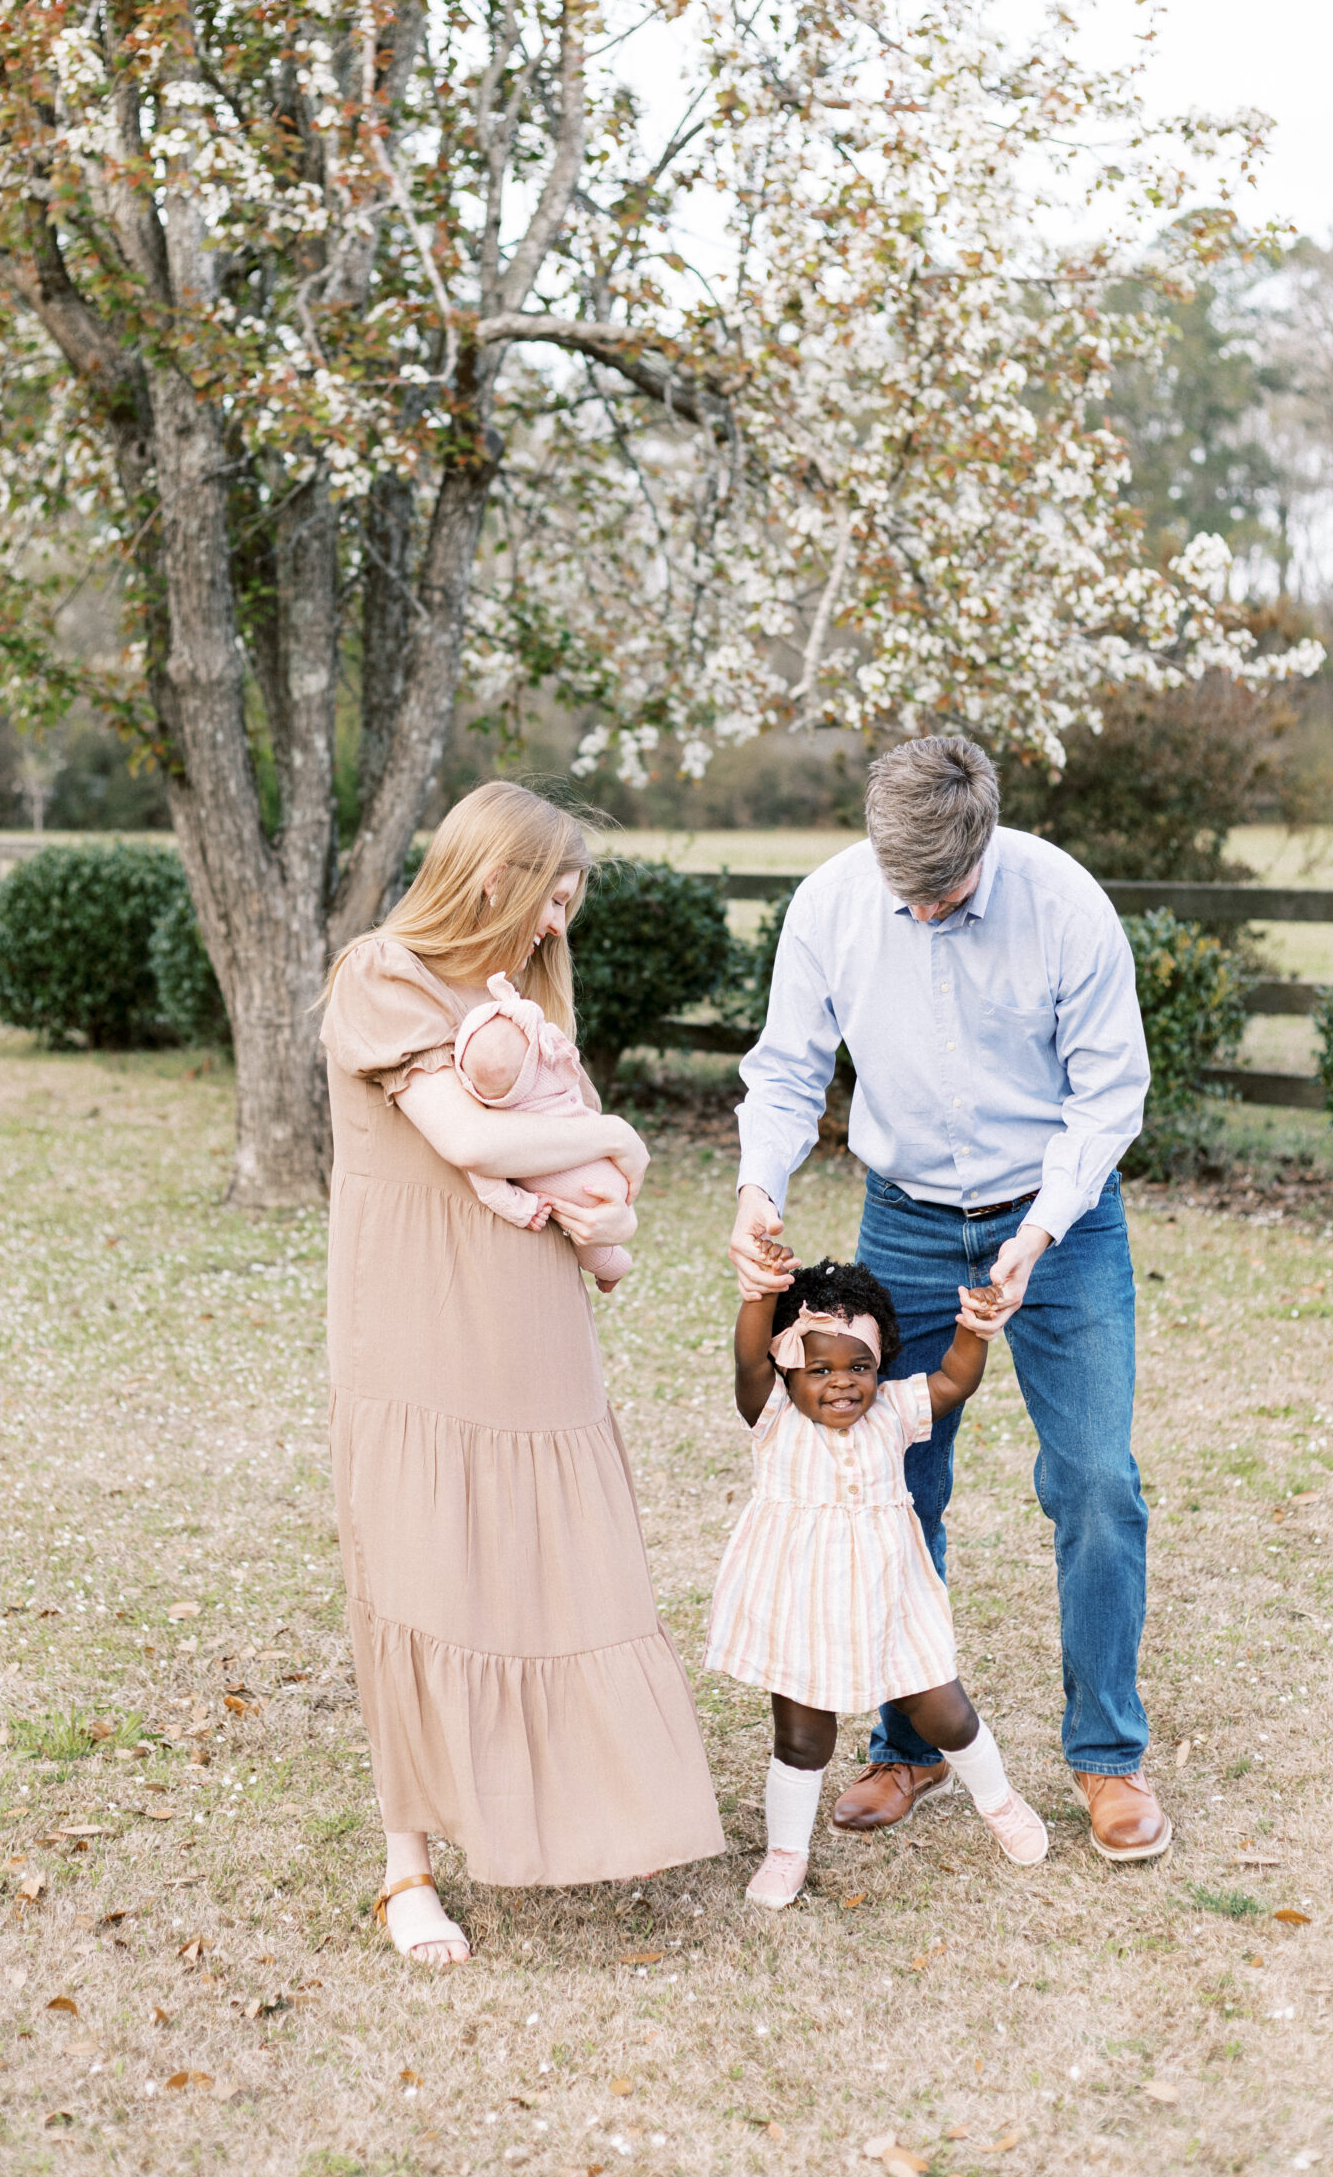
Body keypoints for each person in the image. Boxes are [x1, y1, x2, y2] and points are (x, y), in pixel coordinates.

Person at [730, 736, 1170, 1865]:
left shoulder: (1065, 904)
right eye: (904, 894)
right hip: (908, 1220)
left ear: (987, 839)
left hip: (1060, 1221)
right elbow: (786, 1068)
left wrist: (1038, 1230)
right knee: (892, 1481)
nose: (923, 913)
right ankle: (905, 1744)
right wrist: (754, 1188)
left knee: (1097, 1483)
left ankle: (1107, 1757)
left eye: (948, 895)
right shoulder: (832, 903)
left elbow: (1109, 1090)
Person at [320, 781, 725, 1964]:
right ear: (490, 876)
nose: (558, 926)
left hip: (533, 1311)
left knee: (561, 1563)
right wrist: (616, 1140)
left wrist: (602, 1180)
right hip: (416, 1314)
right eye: (551, 898)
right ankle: (409, 1866)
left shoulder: (525, 997)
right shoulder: (380, 975)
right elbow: (474, 1139)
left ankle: (588, 1805)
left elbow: (568, 1161)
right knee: (421, 1568)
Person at [707, 1246, 1048, 1907]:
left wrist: (972, 1331)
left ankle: (997, 1800)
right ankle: (786, 1852)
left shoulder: (891, 1411)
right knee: (803, 1735)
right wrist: (762, 1294)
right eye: (820, 1368)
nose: (842, 1382)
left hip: (886, 1600)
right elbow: (747, 1358)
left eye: (858, 1366)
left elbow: (954, 1382)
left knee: (943, 1712)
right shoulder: (773, 1416)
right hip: (798, 1605)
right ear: (787, 1370)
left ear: (880, 1365)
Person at [452, 970, 633, 1288]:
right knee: (598, 1235)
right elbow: (572, 1074)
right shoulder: (545, 1072)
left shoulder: (492, 1119)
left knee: (593, 1251)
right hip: (605, 1167)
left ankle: (613, 1269)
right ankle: (614, 1264)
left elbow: (487, 1182)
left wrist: (522, 1208)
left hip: (577, 1195)